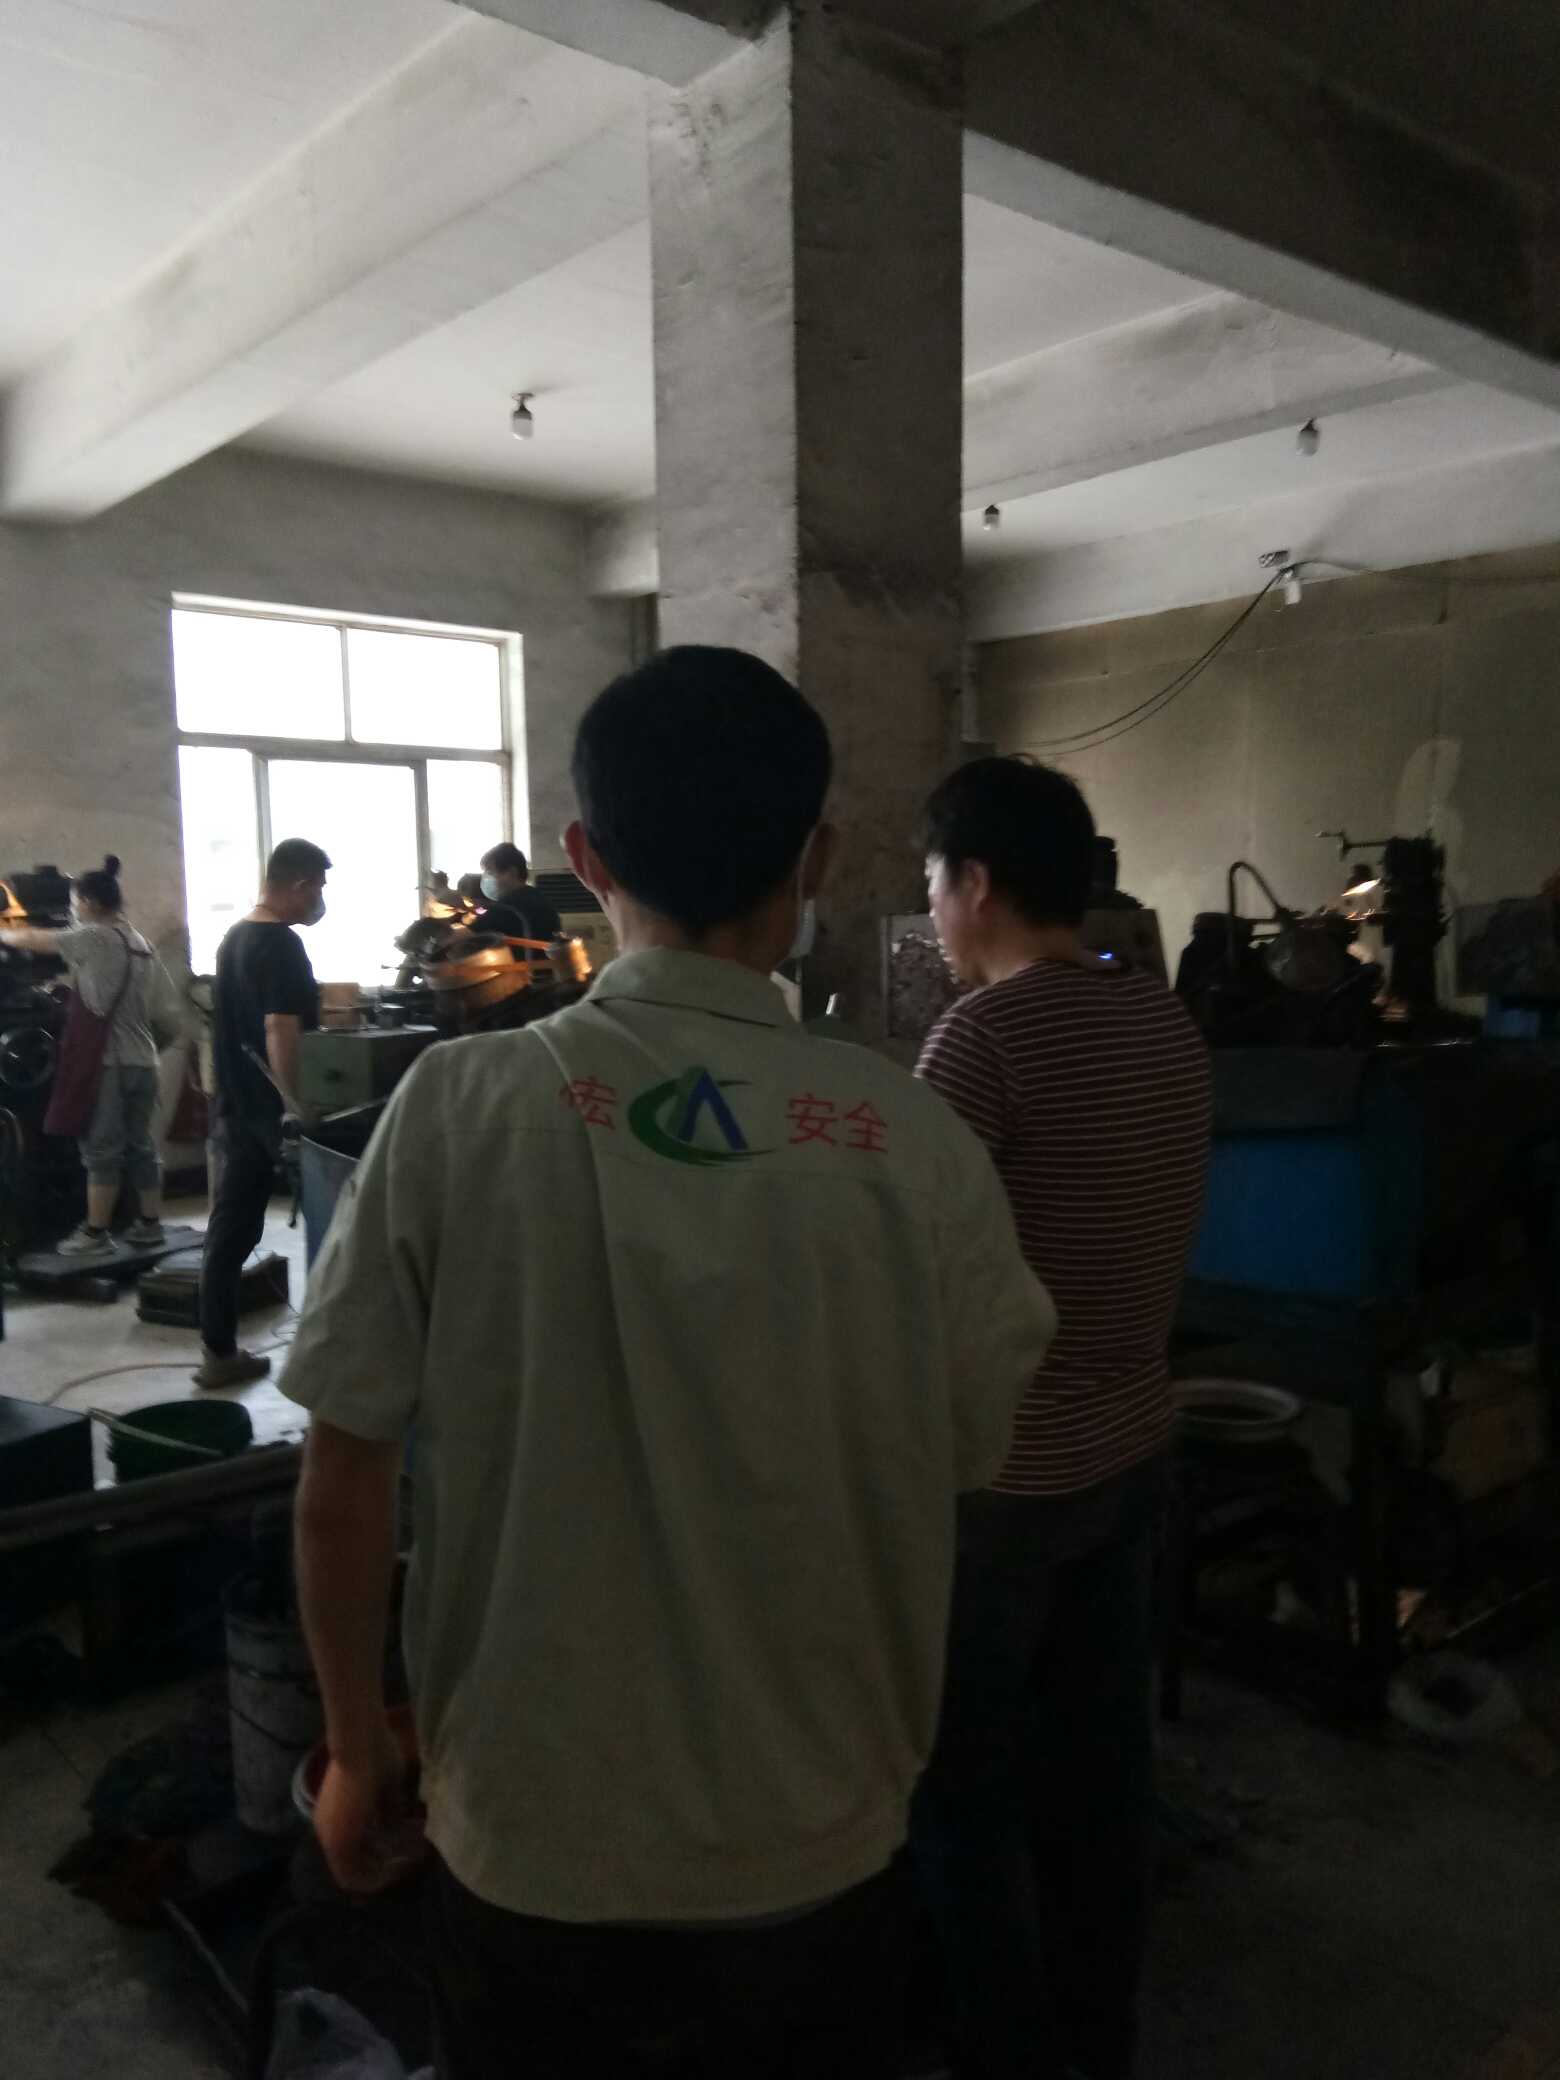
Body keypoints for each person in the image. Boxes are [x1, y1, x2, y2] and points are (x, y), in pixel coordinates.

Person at [281, 647, 1056, 2080]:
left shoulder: (460, 1105)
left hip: (535, 1838)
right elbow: (969, 1449)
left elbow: (344, 1470)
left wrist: (355, 1744)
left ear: (584, 861)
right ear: (817, 859)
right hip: (820, 1832)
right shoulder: (912, 1137)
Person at [911, 757, 1211, 2080]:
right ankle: (1100, 2041)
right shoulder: (1162, 1018)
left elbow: (914, 1276)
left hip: (1005, 1485)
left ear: (976, 882)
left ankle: (1002, 2053)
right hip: (1133, 1451)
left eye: (933, 883)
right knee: (1097, 1782)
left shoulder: (981, 1041)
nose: (932, 913)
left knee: (965, 1795)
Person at [196, 837, 329, 1389]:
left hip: (234, 1103)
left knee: (231, 1228)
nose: (320, 899)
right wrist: (294, 1105)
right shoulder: (281, 945)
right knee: (331, 1221)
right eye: (319, 887)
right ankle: (332, 1357)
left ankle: (218, 1351)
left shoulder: (234, 938)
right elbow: (279, 1026)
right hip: (272, 1112)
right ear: (299, 884)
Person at [0, 855, 175, 1255]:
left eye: (75, 903)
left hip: (109, 1063)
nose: (73, 911)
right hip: (144, 1060)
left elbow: (35, 940)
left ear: (91, 902)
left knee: (101, 1149)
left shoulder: (94, 937)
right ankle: (150, 1224)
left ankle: (95, 1234)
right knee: (140, 1146)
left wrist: (5, 930)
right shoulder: (138, 941)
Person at [476, 840, 560, 946]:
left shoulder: (508, 906)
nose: (488, 880)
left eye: (491, 873)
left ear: (512, 872)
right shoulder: (539, 896)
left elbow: (469, 935)